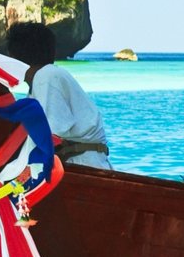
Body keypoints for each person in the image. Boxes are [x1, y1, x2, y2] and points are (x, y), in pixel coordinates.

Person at [7, 23, 113, 170]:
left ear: (14, 58)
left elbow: (50, 134)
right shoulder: (44, 79)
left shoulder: (46, 77)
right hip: (82, 164)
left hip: (82, 167)